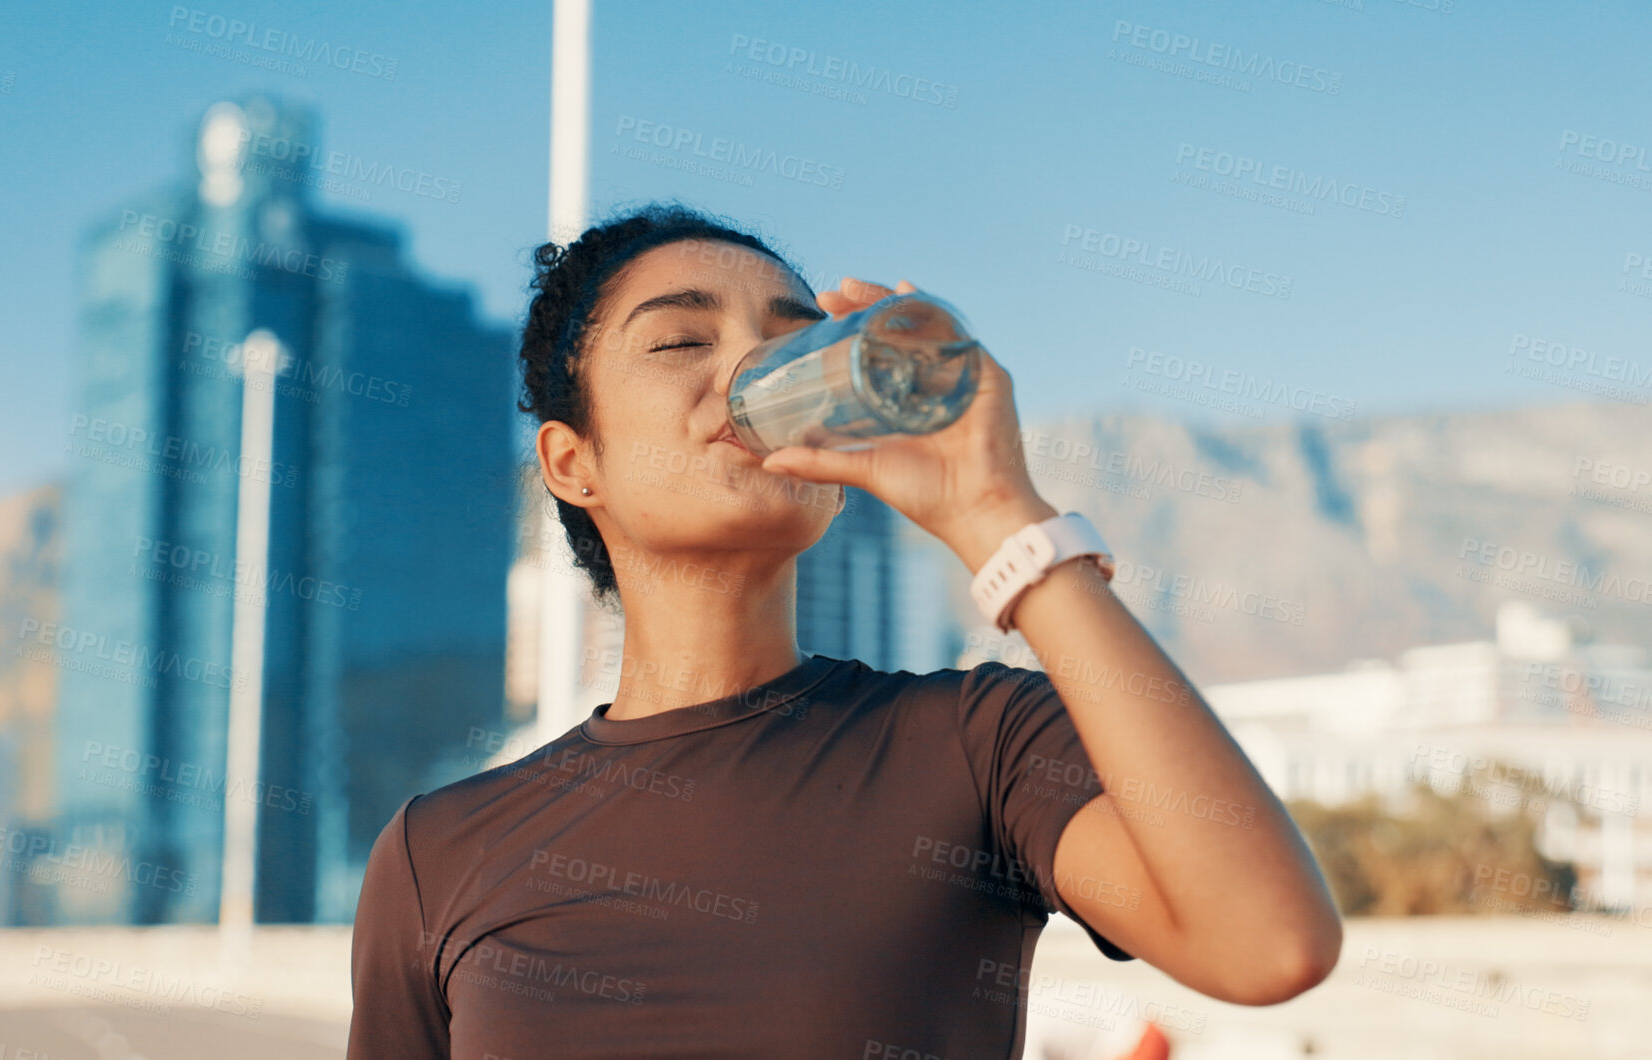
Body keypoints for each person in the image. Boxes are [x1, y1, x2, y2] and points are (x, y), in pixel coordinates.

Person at [346, 202, 1342, 1059]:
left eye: (787, 341)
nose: (747, 362)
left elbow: (1265, 942)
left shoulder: (977, 744)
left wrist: (996, 510)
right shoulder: (439, 850)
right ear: (571, 463)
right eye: (681, 340)